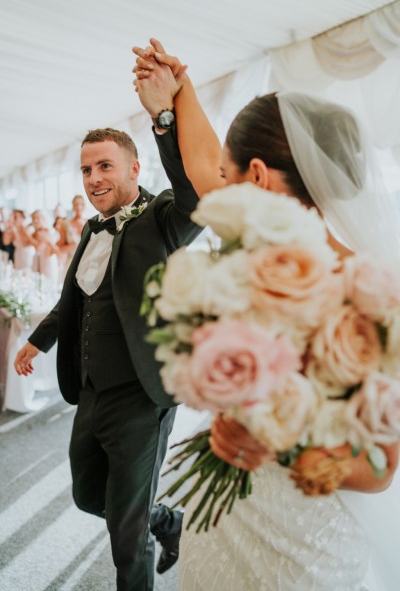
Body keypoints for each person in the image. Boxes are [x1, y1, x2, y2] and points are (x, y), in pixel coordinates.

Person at [133, 39, 400, 590]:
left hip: (305, 546)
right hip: (223, 525)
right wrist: (178, 92)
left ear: (257, 176)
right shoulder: (252, 246)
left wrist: (278, 442)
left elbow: (382, 470)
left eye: (230, 178)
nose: (218, 187)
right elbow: (205, 163)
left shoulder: (370, 297)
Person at [13, 70, 203, 590]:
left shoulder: (161, 217)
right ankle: (164, 520)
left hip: (144, 395)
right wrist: (38, 339)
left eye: (104, 167)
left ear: (134, 168)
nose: (93, 178)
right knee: (87, 495)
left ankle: (144, 534)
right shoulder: (92, 229)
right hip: (93, 391)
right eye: (85, 170)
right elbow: (74, 299)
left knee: (125, 532)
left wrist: (164, 120)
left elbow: (195, 196)